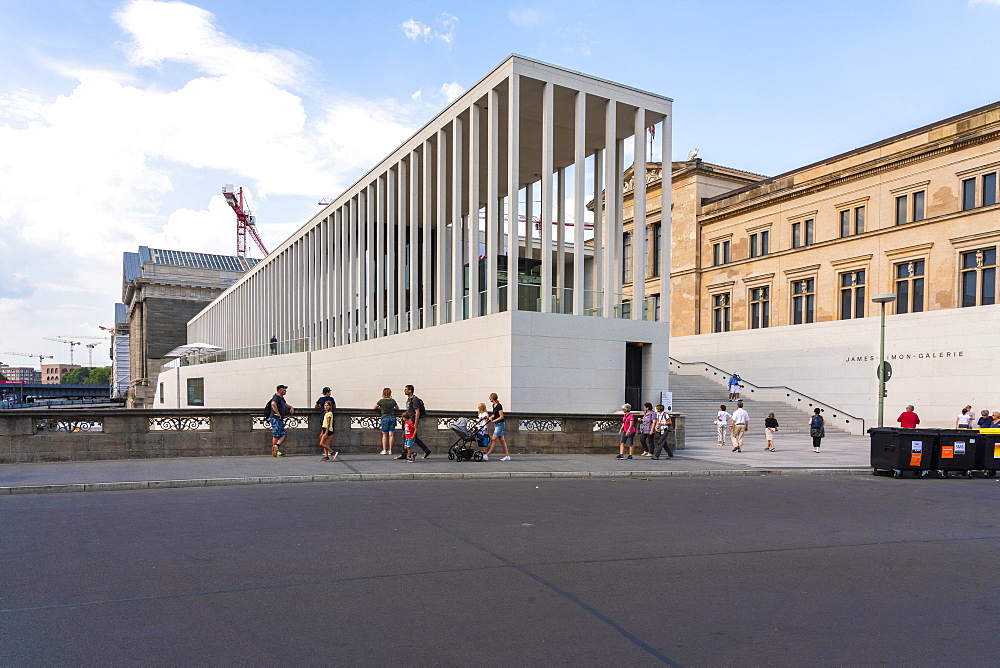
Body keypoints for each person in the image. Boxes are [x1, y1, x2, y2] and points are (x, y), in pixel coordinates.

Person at [401, 385, 431, 459]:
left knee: (406, 436)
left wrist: (415, 423)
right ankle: (426, 450)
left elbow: (417, 412)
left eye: (406, 389)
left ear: (410, 391)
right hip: (409, 420)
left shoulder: (414, 399)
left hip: (412, 420)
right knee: (413, 437)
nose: (404, 391)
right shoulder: (409, 399)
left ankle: (405, 454)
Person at [267, 384, 294, 457]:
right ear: (279, 390)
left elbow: (285, 405)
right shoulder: (277, 397)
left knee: (281, 435)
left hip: (278, 419)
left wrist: (291, 407)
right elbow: (273, 404)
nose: (285, 391)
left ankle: (276, 448)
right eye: (284, 390)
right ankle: (275, 450)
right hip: (275, 418)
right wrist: (277, 413)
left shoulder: (281, 398)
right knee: (277, 435)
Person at [486, 392, 511, 461]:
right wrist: (490, 417)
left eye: (490, 397)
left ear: (492, 398)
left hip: (500, 424)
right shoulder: (493, 405)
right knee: (502, 440)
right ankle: (507, 456)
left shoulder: (499, 406)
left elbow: (501, 416)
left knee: (493, 439)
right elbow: (495, 414)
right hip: (497, 425)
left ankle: (487, 455)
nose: (489, 399)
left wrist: (494, 420)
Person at [373, 388, 399, 455]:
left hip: (385, 417)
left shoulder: (381, 401)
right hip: (392, 417)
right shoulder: (393, 401)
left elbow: (374, 407)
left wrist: (381, 408)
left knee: (384, 435)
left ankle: (384, 450)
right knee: (391, 435)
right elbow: (397, 408)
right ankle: (390, 450)